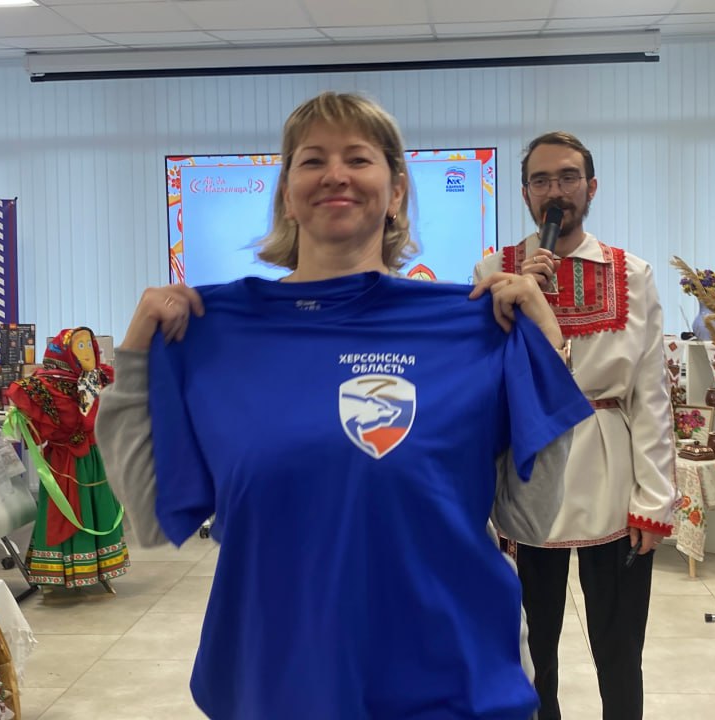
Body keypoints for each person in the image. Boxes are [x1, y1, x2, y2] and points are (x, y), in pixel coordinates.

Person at [95, 91, 592, 719]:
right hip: (282, 681)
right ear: (286, 194)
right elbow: (147, 513)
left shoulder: (472, 326)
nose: (335, 174)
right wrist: (135, 360)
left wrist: (546, 347)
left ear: (396, 191)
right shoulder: (216, 337)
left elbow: (532, 518)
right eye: (312, 160)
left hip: (452, 679)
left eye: (358, 158)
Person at [474, 131, 676, 720]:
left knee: (619, 647)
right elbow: (483, 386)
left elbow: (650, 394)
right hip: (527, 472)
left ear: (591, 187)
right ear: (524, 194)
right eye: (540, 180)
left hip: (611, 472)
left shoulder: (632, 273)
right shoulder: (494, 271)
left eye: (567, 177)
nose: (554, 191)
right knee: (530, 648)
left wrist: (654, 500)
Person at [3, 327, 129, 593]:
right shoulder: (41, 387)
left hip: (95, 459)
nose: (88, 353)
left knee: (97, 508)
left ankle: (97, 568)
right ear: (64, 351)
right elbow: (36, 426)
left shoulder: (99, 378)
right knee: (66, 512)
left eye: (90, 345)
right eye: (80, 347)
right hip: (63, 464)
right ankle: (63, 570)